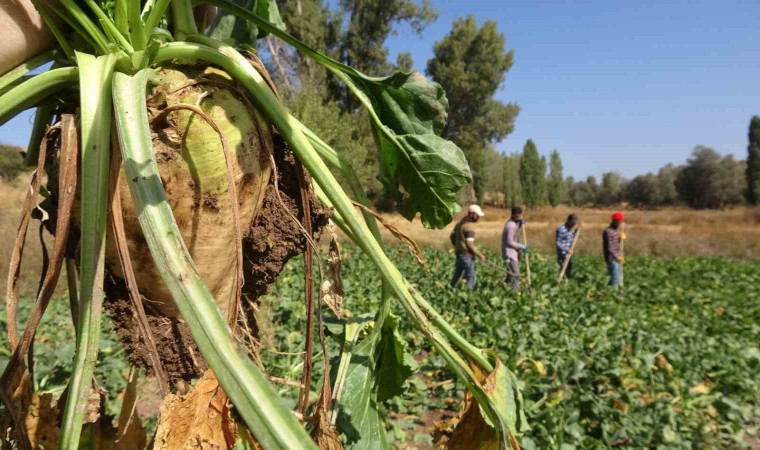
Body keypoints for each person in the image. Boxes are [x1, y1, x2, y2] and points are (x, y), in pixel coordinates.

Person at [449, 204, 487, 290]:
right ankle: (468, 295)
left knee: (457, 275)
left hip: (459, 254)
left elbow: (452, 237)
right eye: (477, 215)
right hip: (467, 256)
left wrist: (459, 246)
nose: (478, 217)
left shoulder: (459, 224)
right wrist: (480, 255)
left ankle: (450, 289)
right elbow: (470, 244)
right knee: (471, 276)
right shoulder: (470, 226)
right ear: (472, 214)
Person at [501, 206, 527, 291]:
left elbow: (516, 232)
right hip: (509, 254)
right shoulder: (510, 225)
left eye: (519, 216)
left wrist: (520, 223)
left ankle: (503, 290)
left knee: (510, 275)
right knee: (516, 275)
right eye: (516, 217)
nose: (518, 218)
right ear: (512, 215)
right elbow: (509, 242)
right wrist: (522, 246)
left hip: (513, 252)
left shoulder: (515, 223)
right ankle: (515, 294)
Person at [603, 212, 626, 288]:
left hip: (617, 258)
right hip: (612, 258)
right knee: (615, 278)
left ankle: (612, 292)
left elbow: (615, 244)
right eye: (619, 221)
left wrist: (620, 238)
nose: (620, 223)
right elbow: (610, 247)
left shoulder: (616, 231)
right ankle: (611, 295)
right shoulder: (608, 231)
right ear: (615, 221)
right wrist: (617, 257)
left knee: (616, 277)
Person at [556, 214, 579, 278]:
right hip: (562, 255)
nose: (573, 225)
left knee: (569, 272)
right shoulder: (561, 229)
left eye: (574, 223)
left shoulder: (571, 229)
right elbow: (558, 243)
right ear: (568, 221)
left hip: (569, 255)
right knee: (562, 272)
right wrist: (567, 249)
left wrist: (577, 230)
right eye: (572, 223)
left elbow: (571, 237)